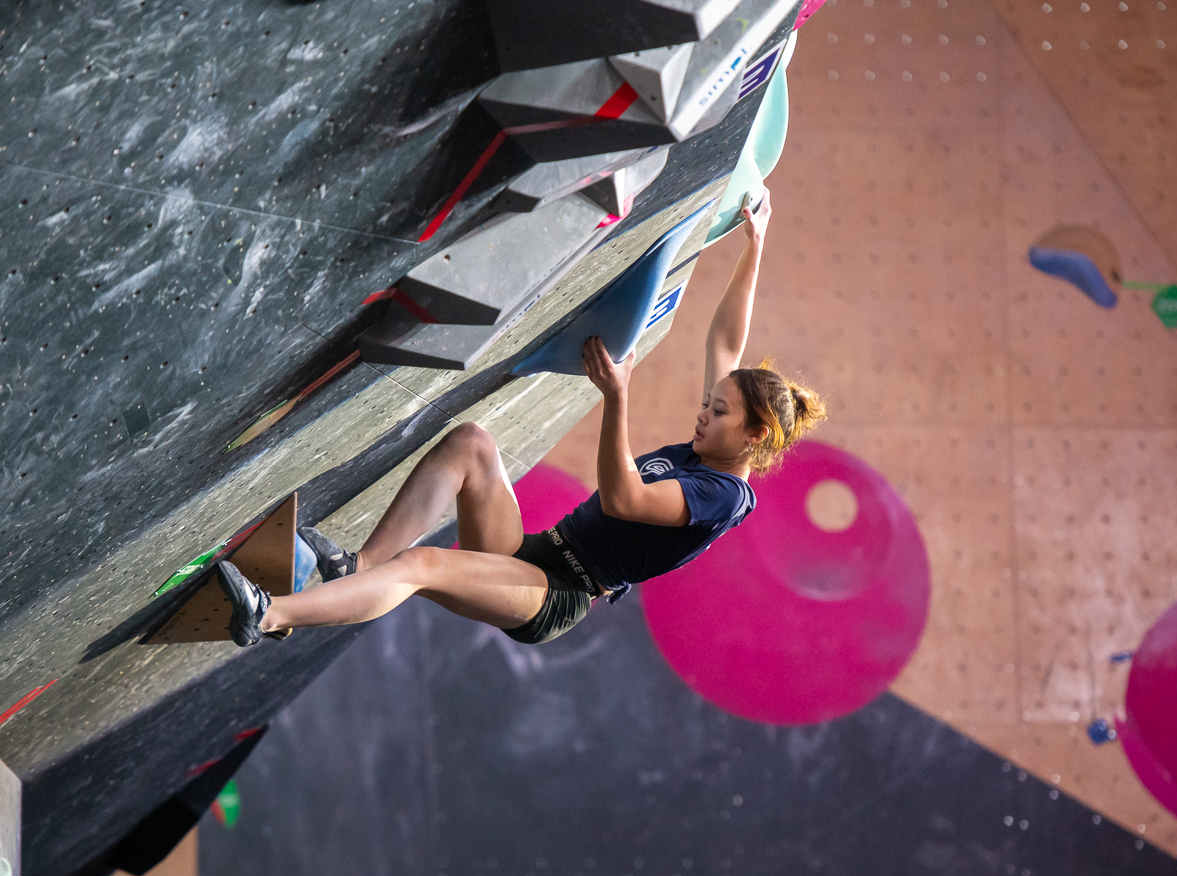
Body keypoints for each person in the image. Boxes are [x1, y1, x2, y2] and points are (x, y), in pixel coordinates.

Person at [217, 188, 824, 647]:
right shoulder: (716, 443)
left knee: (424, 566)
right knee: (472, 445)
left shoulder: (723, 494)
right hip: (533, 551)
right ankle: (359, 569)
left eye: (716, 411)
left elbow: (624, 501)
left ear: (754, 436)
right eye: (707, 402)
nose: (702, 413)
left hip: (556, 593)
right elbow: (725, 344)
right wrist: (755, 246)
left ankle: (267, 615)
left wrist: (617, 397)